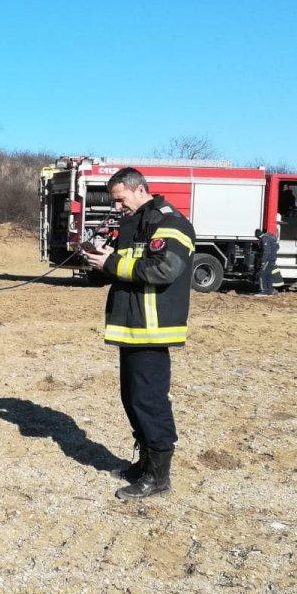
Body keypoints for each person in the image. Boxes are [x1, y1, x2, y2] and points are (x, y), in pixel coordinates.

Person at [82, 168, 195, 500]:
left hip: (152, 328)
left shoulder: (169, 222)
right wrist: (98, 265)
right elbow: (122, 268)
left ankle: (159, 479)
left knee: (149, 400)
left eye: (120, 200)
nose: (117, 208)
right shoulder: (134, 223)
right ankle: (146, 463)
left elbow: (165, 269)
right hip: (131, 326)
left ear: (140, 190)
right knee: (132, 398)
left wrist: (113, 264)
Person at [254, 227, 279, 297]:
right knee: (268, 275)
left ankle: (263, 291)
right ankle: (269, 291)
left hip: (268, 259)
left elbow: (266, 251)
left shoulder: (265, 239)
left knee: (261, 275)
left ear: (258, 236)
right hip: (272, 259)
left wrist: (263, 262)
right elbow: (277, 246)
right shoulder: (270, 238)